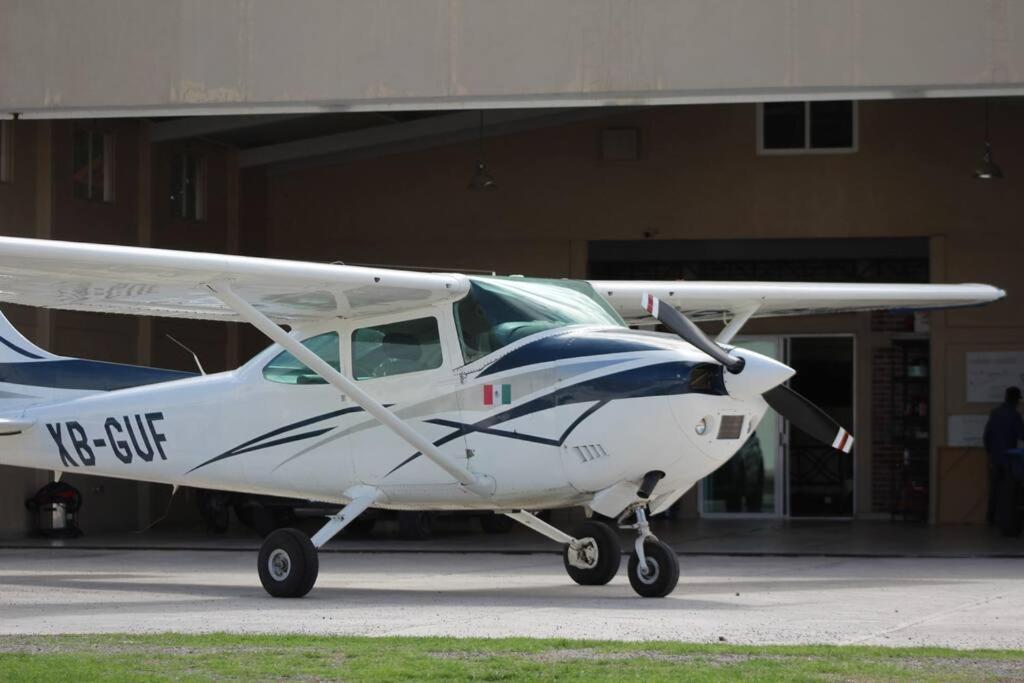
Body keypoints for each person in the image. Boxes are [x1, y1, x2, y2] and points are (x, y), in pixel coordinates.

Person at [984, 386, 1024, 524]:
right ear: (1016, 400)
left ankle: (990, 519)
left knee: (994, 488)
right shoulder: (1015, 415)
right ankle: (1005, 521)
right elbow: (1021, 435)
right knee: (1008, 491)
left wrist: (990, 453)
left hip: (995, 457)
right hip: (1009, 459)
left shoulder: (994, 413)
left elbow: (987, 435)